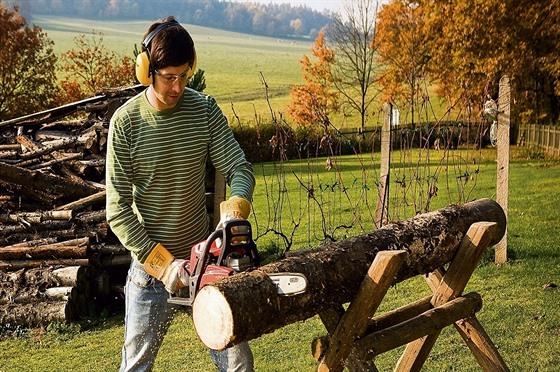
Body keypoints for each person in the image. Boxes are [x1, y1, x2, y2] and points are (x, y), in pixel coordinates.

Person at [105, 16, 256, 372]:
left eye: (184, 76)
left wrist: (235, 208)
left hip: (205, 263)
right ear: (147, 71)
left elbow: (239, 168)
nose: (177, 87)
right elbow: (118, 209)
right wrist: (160, 263)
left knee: (238, 363)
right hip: (150, 270)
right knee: (136, 366)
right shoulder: (125, 124)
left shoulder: (203, 110)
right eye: (169, 77)